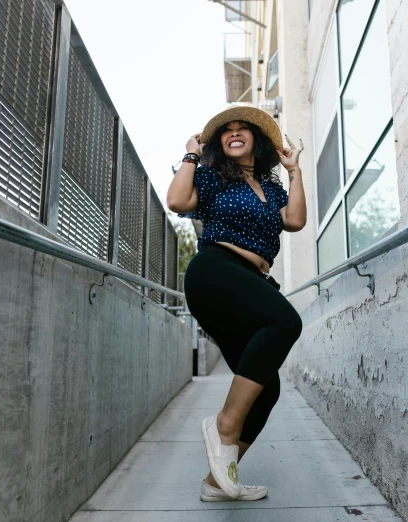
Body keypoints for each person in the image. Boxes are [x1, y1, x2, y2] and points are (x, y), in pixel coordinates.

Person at [166, 106, 307, 501]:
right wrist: (192, 154)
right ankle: (224, 425)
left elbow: (294, 221)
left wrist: (293, 171)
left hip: (250, 281)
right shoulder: (212, 176)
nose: (233, 132)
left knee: (268, 389)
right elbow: (177, 201)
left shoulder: (270, 185)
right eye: (226, 130)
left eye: (242, 128)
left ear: (255, 140)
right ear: (219, 144)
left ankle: (216, 482)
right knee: (285, 322)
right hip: (216, 271)